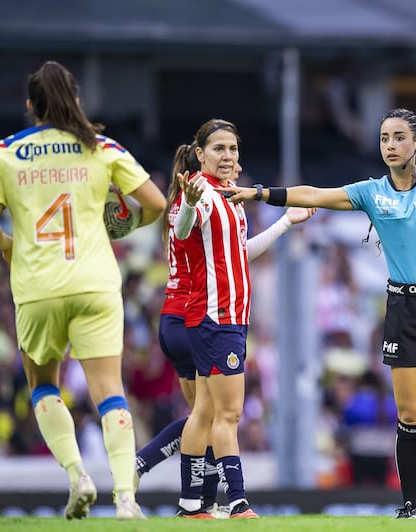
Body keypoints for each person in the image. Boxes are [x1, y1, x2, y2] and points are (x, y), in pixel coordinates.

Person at [215, 36, 416, 519]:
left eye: (398, 137)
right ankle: (410, 508)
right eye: (383, 139)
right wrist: (261, 193)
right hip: (405, 307)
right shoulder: (371, 192)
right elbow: (314, 193)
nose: (389, 145)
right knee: (411, 416)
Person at [0, 61, 166, 519]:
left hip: (37, 286)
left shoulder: (3, 153)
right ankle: (125, 498)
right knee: (109, 391)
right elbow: (156, 203)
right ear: (76, 101)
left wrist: (7, 245)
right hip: (95, 282)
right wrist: (125, 225)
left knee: (43, 385)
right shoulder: (101, 148)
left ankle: (77, 475)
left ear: (29, 107)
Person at [134, 151, 314, 518]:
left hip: (177, 317)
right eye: (222, 156)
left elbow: (233, 254)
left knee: (208, 411)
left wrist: (283, 223)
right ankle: (203, 495)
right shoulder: (200, 205)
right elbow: (196, 235)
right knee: (212, 413)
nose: (233, 164)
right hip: (197, 316)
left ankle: (193, 497)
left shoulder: (199, 204)